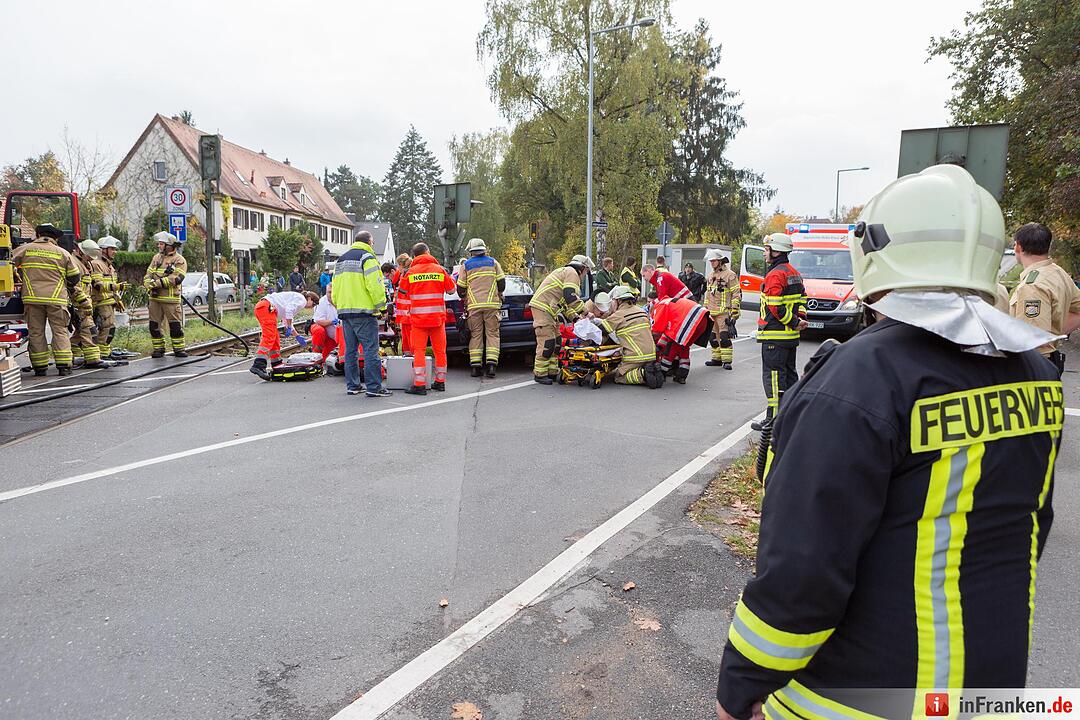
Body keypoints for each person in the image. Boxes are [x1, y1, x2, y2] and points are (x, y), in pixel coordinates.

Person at [715, 164, 1064, 720]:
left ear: (877, 253)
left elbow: (803, 569)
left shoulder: (860, 381)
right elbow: (1028, 531)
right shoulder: (1036, 377)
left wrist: (741, 683)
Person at [1008, 222, 1080, 376]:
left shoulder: (1032, 286)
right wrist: (1052, 333)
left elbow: (1033, 341)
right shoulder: (1058, 273)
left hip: (1032, 368)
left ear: (1017, 247)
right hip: (1047, 363)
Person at [11, 224, 83, 376]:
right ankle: (64, 366)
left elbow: (6, 262)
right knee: (60, 331)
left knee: (36, 333)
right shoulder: (63, 253)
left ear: (37, 234)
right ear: (55, 237)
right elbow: (75, 277)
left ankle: (40, 368)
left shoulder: (25, 249)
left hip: (32, 298)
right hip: (57, 299)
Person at [751, 232, 806, 431]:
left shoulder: (776, 274)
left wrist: (792, 321)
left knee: (774, 379)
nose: (765, 253)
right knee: (790, 377)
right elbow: (802, 300)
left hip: (775, 336)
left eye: (767, 249)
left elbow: (775, 307)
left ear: (776, 251)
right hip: (791, 337)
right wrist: (800, 321)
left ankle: (773, 421)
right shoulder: (794, 273)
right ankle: (790, 417)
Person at [334, 230, 392, 397]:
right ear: (369, 242)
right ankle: (374, 388)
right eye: (372, 243)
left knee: (350, 351)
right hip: (364, 311)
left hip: (345, 312)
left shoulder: (341, 260)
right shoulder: (368, 258)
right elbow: (374, 285)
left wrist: (339, 305)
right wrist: (382, 308)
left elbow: (335, 287)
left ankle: (353, 386)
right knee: (370, 350)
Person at [398, 242, 456, 395]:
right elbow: (451, 290)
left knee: (419, 351)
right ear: (428, 252)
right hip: (437, 319)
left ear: (415, 256)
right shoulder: (440, 270)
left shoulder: (410, 273)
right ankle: (440, 382)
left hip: (418, 320)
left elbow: (402, 292)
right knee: (440, 351)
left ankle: (419, 384)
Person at [528, 254, 593, 384]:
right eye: (586, 271)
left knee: (557, 341)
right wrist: (585, 312)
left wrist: (575, 318)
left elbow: (564, 303)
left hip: (550, 310)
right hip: (543, 308)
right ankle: (540, 374)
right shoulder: (572, 273)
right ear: (582, 268)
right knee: (547, 341)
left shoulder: (566, 273)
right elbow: (571, 297)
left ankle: (552, 372)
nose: (585, 275)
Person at [457, 238, 506, 379]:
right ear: (484, 249)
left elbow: (460, 288)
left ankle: (475, 367)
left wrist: (465, 297)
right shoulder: (493, 262)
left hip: (474, 306)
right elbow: (501, 284)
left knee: (476, 334)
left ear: (471, 251)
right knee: (492, 334)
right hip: (492, 305)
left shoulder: (466, 265)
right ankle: (491, 366)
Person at [596, 286, 664, 387]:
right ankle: (651, 369)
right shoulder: (642, 311)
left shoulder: (619, 315)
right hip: (651, 354)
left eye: (613, 301)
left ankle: (643, 374)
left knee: (619, 376)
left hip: (635, 356)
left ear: (618, 301)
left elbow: (601, 330)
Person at [249, 290, 318, 380]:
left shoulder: (295, 299)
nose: (311, 308)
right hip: (267, 307)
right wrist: (289, 326)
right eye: (313, 304)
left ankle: (276, 363)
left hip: (265, 307)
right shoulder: (302, 300)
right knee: (269, 336)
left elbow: (286, 319)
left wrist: (296, 335)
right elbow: (289, 311)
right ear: (309, 299)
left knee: (274, 336)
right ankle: (258, 364)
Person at [143, 231, 188, 358]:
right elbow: (148, 273)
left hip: (171, 300)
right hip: (155, 299)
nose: (159, 246)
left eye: (161, 244)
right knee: (154, 325)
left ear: (169, 245)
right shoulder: (156, 258)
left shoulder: (179, 260)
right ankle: (158, 349)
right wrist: (147, 283)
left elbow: (177, 279)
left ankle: (179, 349)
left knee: (175, 326)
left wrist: (156, 283)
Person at [651, 295, 710, 384]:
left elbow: (658, 329)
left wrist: (656, 345)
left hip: (690, 320)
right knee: (684, 348)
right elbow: (667, 333)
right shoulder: (670, 303)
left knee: (671, 349)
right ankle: (681, 375)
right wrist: (659, 346)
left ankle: (662, 373)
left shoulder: (661, 305)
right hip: (702, 320)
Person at [703, 250, 741, 369]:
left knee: (724, 337)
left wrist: (734, 311)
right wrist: (705, 309)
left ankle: (727, 361)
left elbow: (736, 293)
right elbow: (708, 294)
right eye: (711, 261)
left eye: (713, 261)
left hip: (724, 312)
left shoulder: (730, 275)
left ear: (720, 261)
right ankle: (716, 358)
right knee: (712, 337)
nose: (712, 263)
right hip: (711, 312)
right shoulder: (710, 276)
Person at [70, 240, 103, 368]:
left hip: (84, 303)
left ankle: (73, 355)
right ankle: (93, 359)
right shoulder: (74, 263)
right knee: (90, 330)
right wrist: (83, 301)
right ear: (80, 251)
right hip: (79, 304)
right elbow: (73, 286)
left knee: (80, 332)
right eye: (88, 256)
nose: (90, 259)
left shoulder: (84, 264)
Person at [93, 236, 125, 359]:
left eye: (115, 249)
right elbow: (98, 285)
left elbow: (112, 287)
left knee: (109, 328)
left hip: (109, 302)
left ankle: (104, 353)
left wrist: (118, 299)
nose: (114, 252)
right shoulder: (97, 264)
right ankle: (102, 354)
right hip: (100, 302)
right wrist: (117, 287)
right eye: (112, 249)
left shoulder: (110, 266)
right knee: (106, 328)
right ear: (103, 250)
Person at [309, 283, 341, 362]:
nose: (331, 294)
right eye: (329, 292)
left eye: (333, 292)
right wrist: (332, 322)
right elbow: (318, 321)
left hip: (338, 336)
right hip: (327, 334)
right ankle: (315, 355)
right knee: (318, 330)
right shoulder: (322, 302)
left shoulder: (343, 300)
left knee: (329, 360)